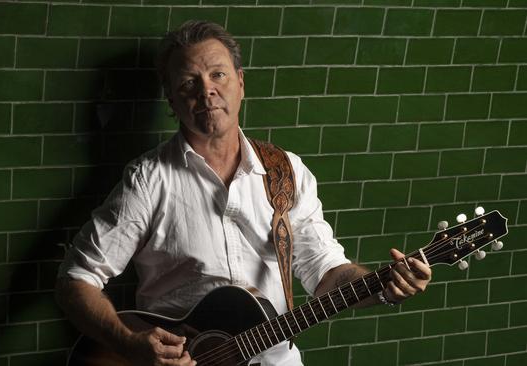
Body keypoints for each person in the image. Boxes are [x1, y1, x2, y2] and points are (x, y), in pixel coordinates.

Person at [55, 20, 432, 366]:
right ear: (171, 98)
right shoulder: (148, 180)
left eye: (218, 74)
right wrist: (127, 342)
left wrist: (386, 288)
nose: (207, 91)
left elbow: (326, 274)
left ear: (240, 82)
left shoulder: (285, 173)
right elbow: (76, 280)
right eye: (189, 82)